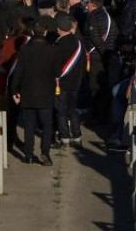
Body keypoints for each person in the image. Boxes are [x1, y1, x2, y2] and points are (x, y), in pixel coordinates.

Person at [10, 21, 61, 165]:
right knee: (46, 125)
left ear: (32, 32)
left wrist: (15, 90)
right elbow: (58, 72)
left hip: (28, 91)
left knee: (29, 125)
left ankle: (28, 154)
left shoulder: (25, 49)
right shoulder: (52, 50)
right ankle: (45, 152)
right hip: (45, 93)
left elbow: (18, 72)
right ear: (45, 32)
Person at [52, 15, 88, 148]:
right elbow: (83, 63)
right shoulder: (78, 42)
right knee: (73, 110)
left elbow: (56, 65)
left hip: (61, 83)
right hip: (76, 83)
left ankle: (65, 139)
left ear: (59, 29)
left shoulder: (59, 44)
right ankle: (77, 137)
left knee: (61, 111)